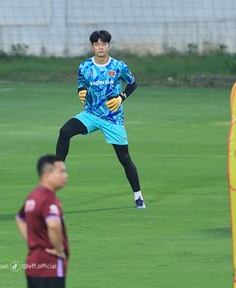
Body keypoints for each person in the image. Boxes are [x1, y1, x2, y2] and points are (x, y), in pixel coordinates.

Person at [55, 30, 145, 209]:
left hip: (113, 119)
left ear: (108, 46)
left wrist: (121, 97)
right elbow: (82, 85)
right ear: (92, 46)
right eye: (97, 44)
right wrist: (81, 92)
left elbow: (132, 84)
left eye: (104, 44)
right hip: (91, 115)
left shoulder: (119, 66)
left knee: (125, 158)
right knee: (64, 132)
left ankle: (138, 197)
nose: (101, 47)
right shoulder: (85, 67)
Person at [16, 155, 70, 288]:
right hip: (50, 267)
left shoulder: (33, 196)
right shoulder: (49, 199)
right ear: (47, 174)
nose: (66, 176)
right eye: (61, 171)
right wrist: (59, 250)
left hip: (33, 265)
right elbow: (53, 225)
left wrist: (33, 241)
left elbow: (20, 218)